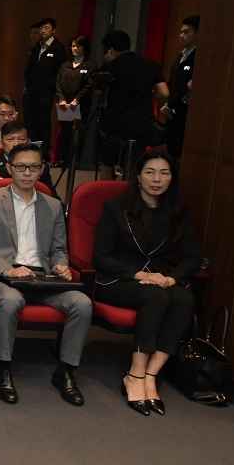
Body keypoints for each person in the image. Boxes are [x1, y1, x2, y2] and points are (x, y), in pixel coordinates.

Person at [0, 143, 92, 406]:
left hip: (43, 278)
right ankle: (3, 369)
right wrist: (8, 269)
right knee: (11, 300)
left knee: (82, 303)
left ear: (42, 170)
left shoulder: (53, 206)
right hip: (4, 276)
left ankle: (65, 371)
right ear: (9, 168)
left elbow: (59, 249)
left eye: (33, 167)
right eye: (21, 167)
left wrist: (60, 265)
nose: (27, 172)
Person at [93, 150, 201, 416]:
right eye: (150, 172)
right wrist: (142, 276)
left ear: (172, 178)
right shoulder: (115, 208)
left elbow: (193, 256)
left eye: (164, 173)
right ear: (138, 177)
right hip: (118, 279)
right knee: (156, 296)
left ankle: (151, 375)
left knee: (184, 299)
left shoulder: (175, 212)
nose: (157, 179)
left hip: (159, 280)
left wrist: (172, 278)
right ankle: (135, 374)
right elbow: (101, 257)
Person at [95, 30, 168, 179]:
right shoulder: (151, 65)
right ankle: (130, 189)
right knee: (133, 162)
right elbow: (164, 92)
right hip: (140, 123)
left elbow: (98, 92)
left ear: (111, 50)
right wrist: (146, 94)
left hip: (113, 123)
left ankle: (107, 190)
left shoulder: (109, 67)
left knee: (107, 162)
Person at [24, 17, 68, 145]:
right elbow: (30, 68)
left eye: (46, 27)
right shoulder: (36, 47)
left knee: (43, 120)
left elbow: (61, 71)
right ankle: (31, 145)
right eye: (41, 28)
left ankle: (43, 149)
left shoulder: (58, 48)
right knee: (31, 119)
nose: (43, 30)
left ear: (53, 30)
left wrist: (53, 85)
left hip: (46, 91)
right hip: (32, 89)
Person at [54, 37, 97, 164]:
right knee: (65, 132)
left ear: (85, 48)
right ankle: (63, 159)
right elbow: (58, 84)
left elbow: (89, 86)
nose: (75, 49)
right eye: (73, 46)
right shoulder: (65, 65)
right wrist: (61, 99)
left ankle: (75, 160)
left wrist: (77, 99)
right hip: (65, 105)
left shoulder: (91, 65)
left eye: (78, 46)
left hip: (81, 105)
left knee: (79, 131)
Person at [0, 119, 54, 189]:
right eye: (10, 139)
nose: (16, 144)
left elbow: (50, 196)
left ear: (29, 142)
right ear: (1, 143)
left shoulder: (39, 167)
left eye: (21, 139)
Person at [161, 16, 198, 161]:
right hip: (172, 113)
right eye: (181, 32)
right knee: (171, 151)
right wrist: (167, 103)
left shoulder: (198, 57)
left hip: (185, 113)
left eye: (186, 32)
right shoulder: (180, 56)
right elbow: (173, 83)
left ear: (197, 34)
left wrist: (170, 104)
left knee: (180, 155)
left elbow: (187, 87)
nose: (181, 35)